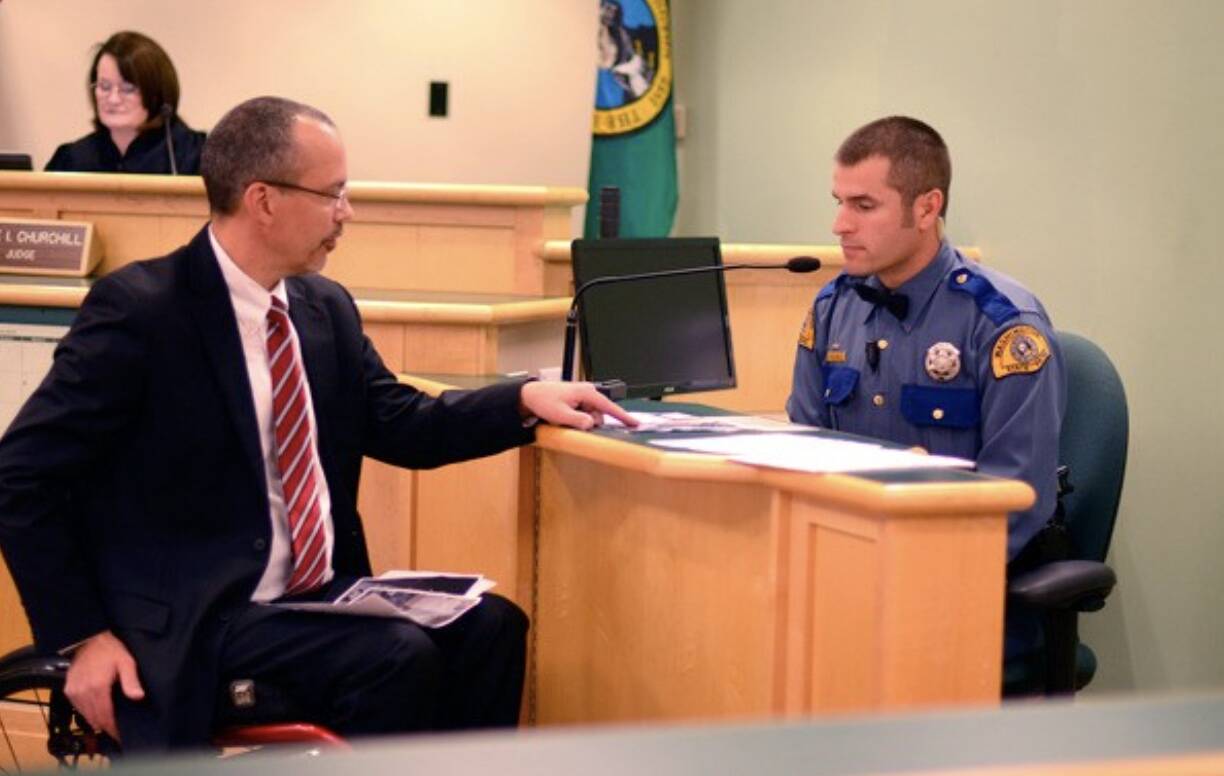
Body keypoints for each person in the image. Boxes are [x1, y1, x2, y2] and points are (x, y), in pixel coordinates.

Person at [0, 95, 634, 751]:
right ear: (264, 200)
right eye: (332, 194)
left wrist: (524, 401)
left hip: (314, 598)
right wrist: (82, 635)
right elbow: (20, 478)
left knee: (494, 627)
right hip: (199, 614)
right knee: (395, 656)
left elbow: (400, 421)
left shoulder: (322, 307)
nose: (346, 213)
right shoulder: (142, 311)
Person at [786, 116, 1066, 655]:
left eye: (863, 206)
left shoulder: (1003, 324)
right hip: (849, 576)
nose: (839, 224)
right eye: (838, 202)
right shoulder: (832, 308)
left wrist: (900, 574)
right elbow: (803, 455)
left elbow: (1017, 499)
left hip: (958, 593)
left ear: (927, 207)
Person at [45, 31, 206, 174]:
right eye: (104, 87)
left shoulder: (197, 155)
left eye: (128, 89)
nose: (113, 99)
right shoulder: (72, 159)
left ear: (156, 93)